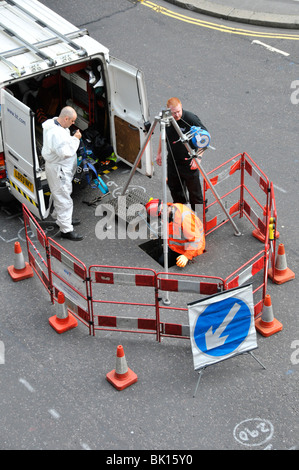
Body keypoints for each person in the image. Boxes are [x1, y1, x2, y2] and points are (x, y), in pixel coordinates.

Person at [156, 97, 208, 215]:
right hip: (173, 162)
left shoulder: (190, 118)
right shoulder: (166, 118)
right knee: (176, 191)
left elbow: (205, 139)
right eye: (174, 113)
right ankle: (182, 215)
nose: (177, 115)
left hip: (189, 163)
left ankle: (199, 219)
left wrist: (198, 158)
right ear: (168, 111)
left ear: (181, 107)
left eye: (179, 111)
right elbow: (162, 134)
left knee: (195, 195)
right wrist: (159, 153)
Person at [42, 106, 83, 241]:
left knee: (58, 194)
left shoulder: (55, 124)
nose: (73, 124)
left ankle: (62, 218)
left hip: (57, 169)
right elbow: (64, 153)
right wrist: (75, 139)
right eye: (72, 121)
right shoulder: (56, 134)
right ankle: (66, 229)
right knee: (64, 198)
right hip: (59, 170)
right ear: (66, 118)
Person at [145, 198, 205, 268]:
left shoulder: (184, 218)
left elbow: (196, 241)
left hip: (191, 250)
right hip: (176, 247)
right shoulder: (169, 210)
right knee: (162, 261)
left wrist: (186, 256)